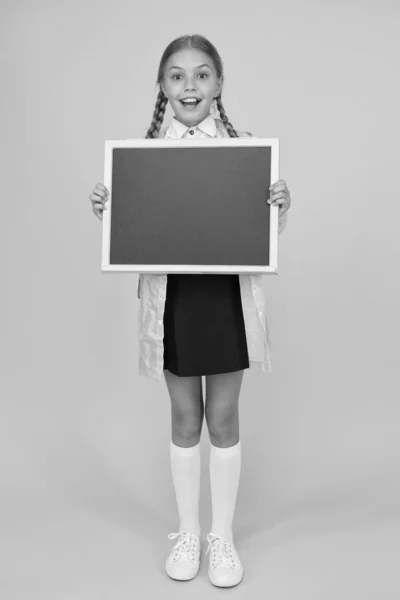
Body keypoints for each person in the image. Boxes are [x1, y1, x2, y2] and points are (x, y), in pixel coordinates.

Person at [89, 34, 291, 588]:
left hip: (224, 298)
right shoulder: (142, 157)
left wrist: (278, 206)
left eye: (202, 75)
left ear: (219, 84)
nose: (189, 86)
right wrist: (110, 208)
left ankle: (222, 536)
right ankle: (189, 531)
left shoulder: (245, 150)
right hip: (174, 299)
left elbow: (260, 236)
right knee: (185, 419)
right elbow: (131, 235)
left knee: (223, 420)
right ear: (162, 86)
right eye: (176, 76)